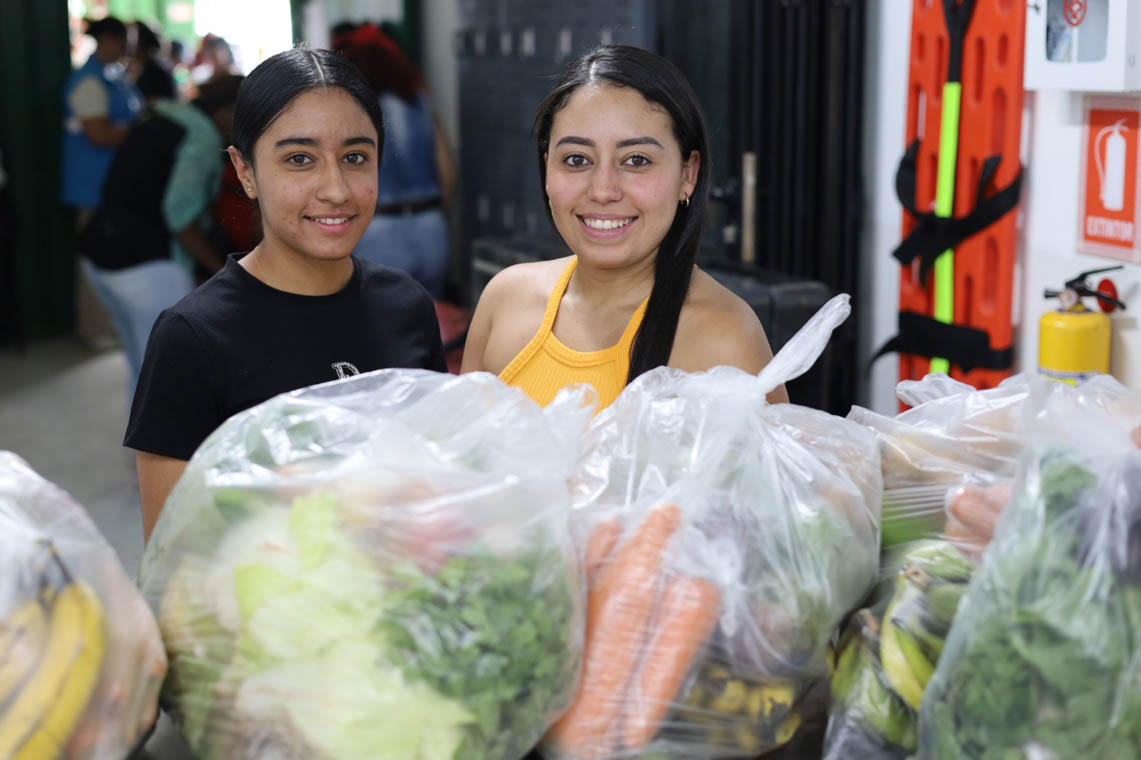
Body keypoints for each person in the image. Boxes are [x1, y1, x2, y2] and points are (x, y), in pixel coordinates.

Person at [126, 48, 447, 540]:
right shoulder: (192, 338)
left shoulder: (407, 305)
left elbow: (434, 497)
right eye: (300, 159)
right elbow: (172, 563)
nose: (336, 189)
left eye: (356, 157)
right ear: (246, 171)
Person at [461, 45, 787, 410]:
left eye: (636, 160)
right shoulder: (505, 299)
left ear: (688, 174)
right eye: (576, 159)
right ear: (547, 168)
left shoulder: (726, 337)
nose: (602, 190)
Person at [77, 75, 244, 396]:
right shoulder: (202, 137)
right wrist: (223, 272)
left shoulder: (165, 115)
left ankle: (140, 446)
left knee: (143, 369)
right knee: (166, 377)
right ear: (226, 111)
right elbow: (179, 216)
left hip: (99, 253)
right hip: (145, 267)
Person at [334, 22, 456, 299]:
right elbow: (447, 168)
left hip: (377, 228)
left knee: (381, 326)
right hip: (430, 224)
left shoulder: (353, 109)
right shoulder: (419, 101)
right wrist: (435, 213)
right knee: (433, 320)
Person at [61, 16, 142, 224]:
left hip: (112, 181)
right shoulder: (88, 81)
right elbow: (99, 135)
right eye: (124, 43)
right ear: (106, 40)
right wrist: (139, 132)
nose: (128, 50)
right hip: (92, 184)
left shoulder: (114, 76)